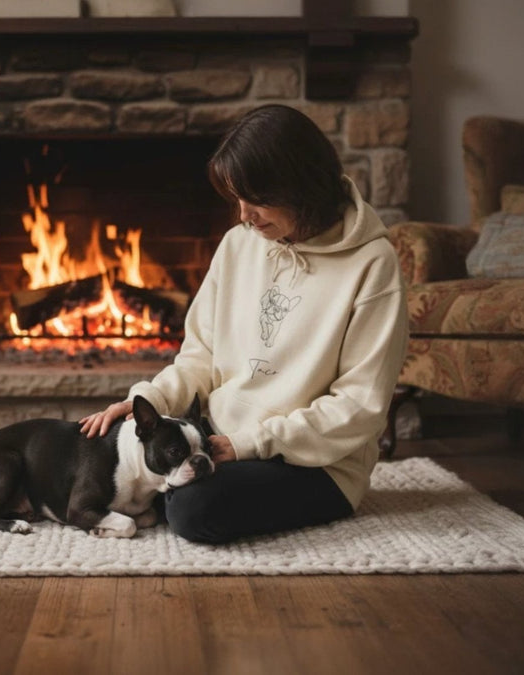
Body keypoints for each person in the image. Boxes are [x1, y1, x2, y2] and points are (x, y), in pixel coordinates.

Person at [80, 104, 409, 544]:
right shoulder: (239, 245)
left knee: (195, 509)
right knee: (101, 458)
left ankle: (162, 498)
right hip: (219, 436)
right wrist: (150, 400)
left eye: (255, 199)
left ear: (301, 185)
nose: (243, 215)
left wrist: (251, 444)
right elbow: (200, 357)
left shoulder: (372, 263)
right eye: (236, 199)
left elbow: (359, 407)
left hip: (316, 462)